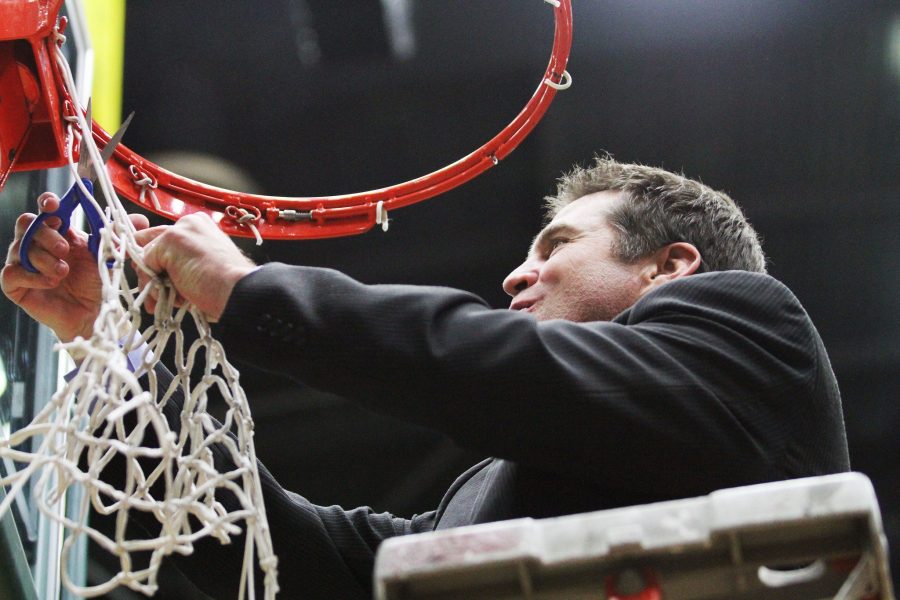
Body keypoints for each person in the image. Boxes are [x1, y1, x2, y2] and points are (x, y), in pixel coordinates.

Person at [1, 156, 850, 599]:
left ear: (671, 266)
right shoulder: (482, 498)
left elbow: (520, 377)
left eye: (556, 246)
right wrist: (110, 348)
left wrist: (250, 293)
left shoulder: (752, 331)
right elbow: (287, 561)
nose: (518, 276)